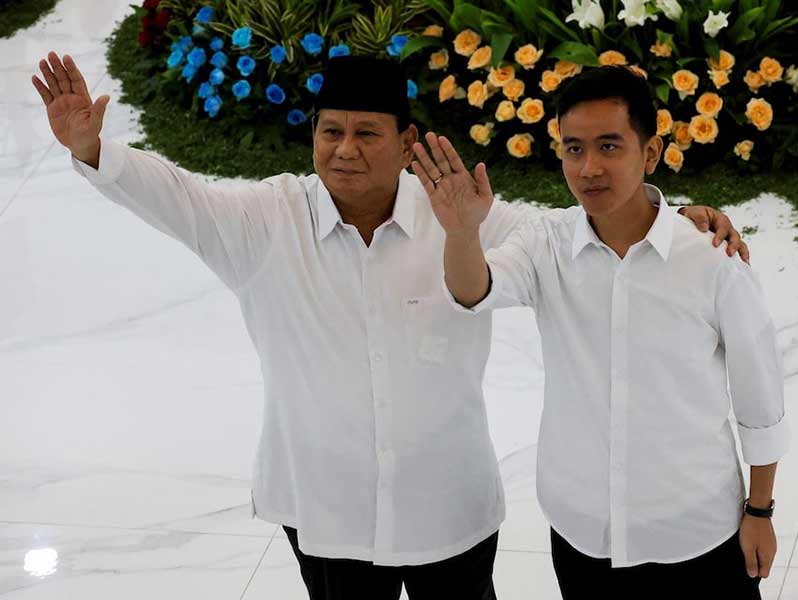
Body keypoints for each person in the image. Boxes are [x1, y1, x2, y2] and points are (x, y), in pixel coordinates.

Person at [32, 52, 749, 599]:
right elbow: (178, 196)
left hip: (449, 505)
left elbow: (572, 234)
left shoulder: (461, 212)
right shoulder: (266, 221)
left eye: (366, 133)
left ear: (407, 142)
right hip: (323, 503)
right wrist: (95, 151)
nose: (344, 149)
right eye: (331, 132)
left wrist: (676, 215)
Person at [416, 66, 789, 599]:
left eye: (610, 146)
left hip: (697, 532)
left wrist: (760, 510)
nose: (589, 168)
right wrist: (460, 231)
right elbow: (474, 291)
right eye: (573, 149)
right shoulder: (546, 244)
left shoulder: (710, 258)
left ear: (651, 153)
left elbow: (761, 397)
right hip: (584, 533)